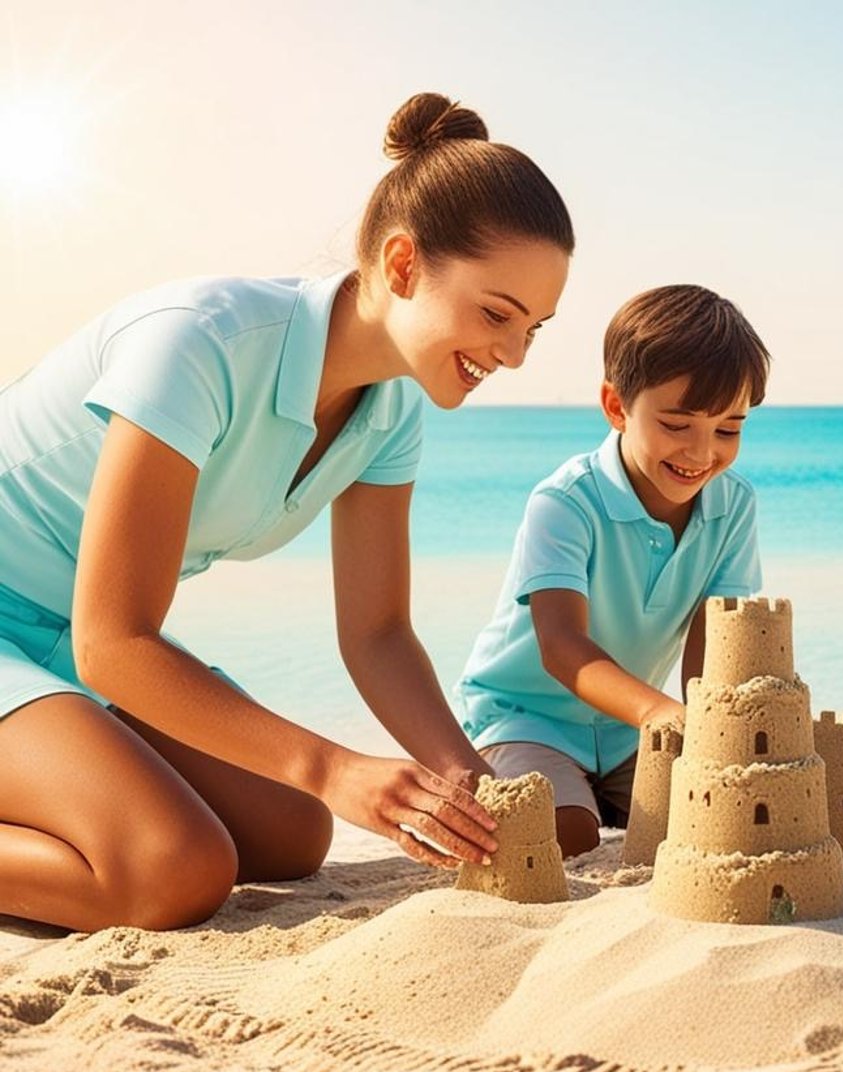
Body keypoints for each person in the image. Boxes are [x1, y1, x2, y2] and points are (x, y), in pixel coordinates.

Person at [0, 92, 573, 932]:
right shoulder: (198, 345)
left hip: (60, 634)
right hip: (71, 632)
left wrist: (470, 787)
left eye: (536, 328)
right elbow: (115, 641)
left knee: (291, 828)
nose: (515, 354)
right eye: (497, 314)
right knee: (176, 867)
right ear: (405, 264)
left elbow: (376, 632)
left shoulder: (390, 413)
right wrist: (334, 765)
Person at [456, 285, 768, 858]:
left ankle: (607, 794)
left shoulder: (734, 506)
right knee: (564, 833)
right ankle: (568, 793)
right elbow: (561, 645)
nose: (702, 453)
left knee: (722, 812)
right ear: (617, 406)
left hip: (630, 736)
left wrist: (708, 727)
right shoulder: (567, 501)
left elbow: (713, 643)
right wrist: (659, 712)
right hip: (528, 718)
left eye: (728, 429)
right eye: (677, 425)